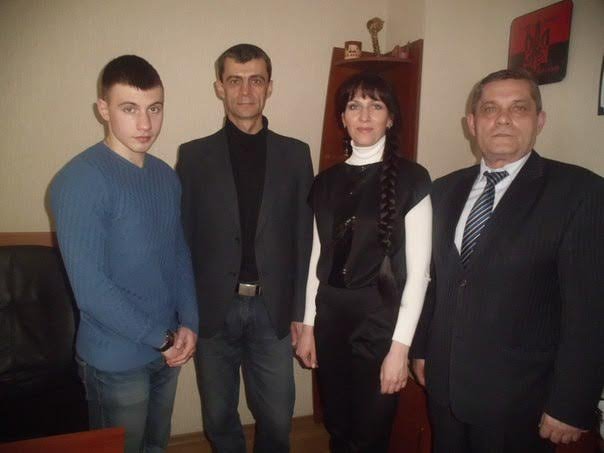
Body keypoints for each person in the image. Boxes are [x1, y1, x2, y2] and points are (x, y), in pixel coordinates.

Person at [410, 68, 604, 452]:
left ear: (539, 120)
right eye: (489, 109)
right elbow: (434, 281)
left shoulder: (580, 192)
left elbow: (591, 310)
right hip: (445, 388)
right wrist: (421, 349)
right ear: (472, 123)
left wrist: (571, 403)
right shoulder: (442, 190)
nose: (502, 119)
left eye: (518, 108)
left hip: (520, 401)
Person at [50, 55, 199, 452]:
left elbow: (178, 254)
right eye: (129, 109)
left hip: (166, 347)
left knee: (156, 445)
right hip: (115, 360)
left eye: (155, 108)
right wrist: (162, 338)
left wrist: (190, 321)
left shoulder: (165, 176)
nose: (145, 124)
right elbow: (91, 290)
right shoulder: (80, 181)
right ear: (104, 109)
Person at [176, 44, 313, 453]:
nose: (246, 90)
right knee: (219, 417)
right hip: (213, 309)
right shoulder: (194, 156)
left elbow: (305, 238)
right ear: (220, 87)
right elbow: (183, 238)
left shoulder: (296, 154)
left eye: (256, 80)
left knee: (277, 418)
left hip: (273, 309)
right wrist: (186, 312)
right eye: (235, 80)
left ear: (270, 87)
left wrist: (302, 313)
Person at [296, 73, 432, 452]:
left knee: (370, 436)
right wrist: (308, 326)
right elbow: (317, 259)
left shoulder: (413, 179)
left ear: (391, 118)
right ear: (343, 118)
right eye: (354, 106)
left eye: (376, 106)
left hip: (380, 322)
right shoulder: (324, 182)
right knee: (338, 428)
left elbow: (419, 274)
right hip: (331, 319)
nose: (365, 115)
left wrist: (399, 349)